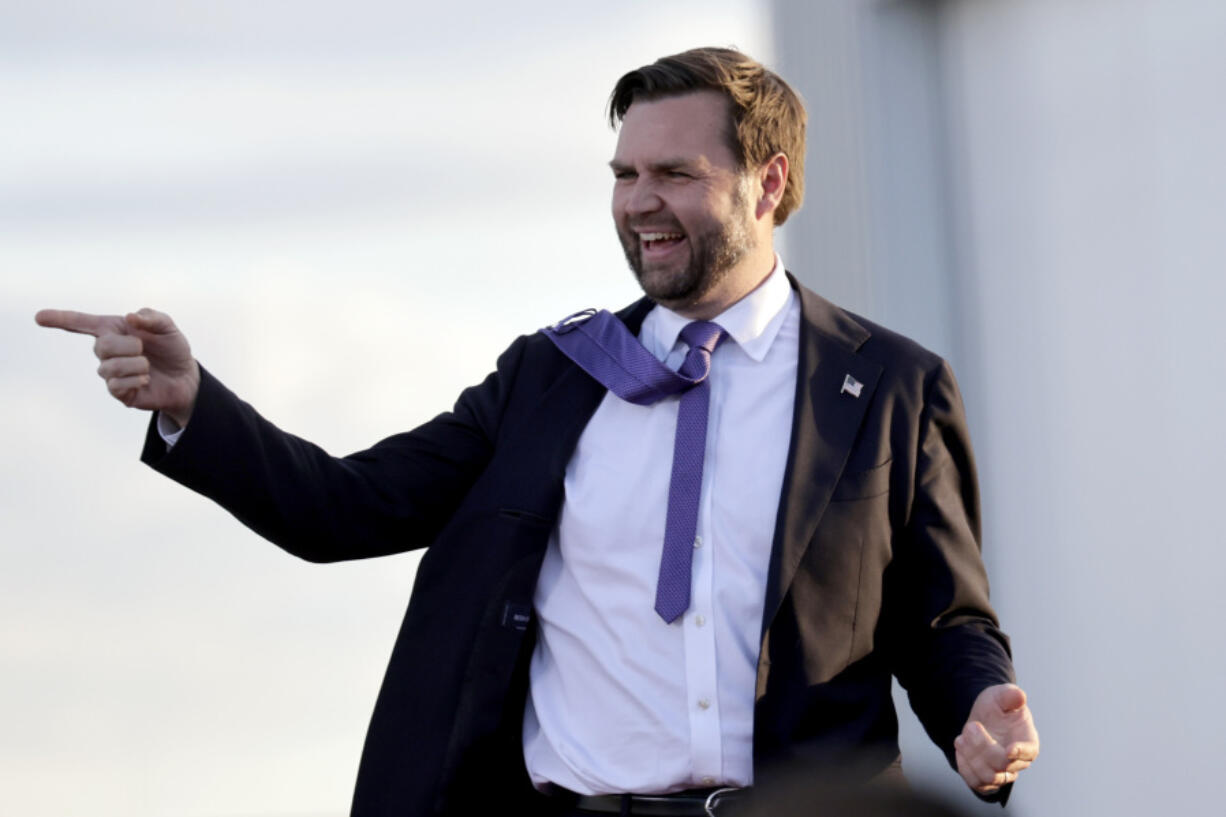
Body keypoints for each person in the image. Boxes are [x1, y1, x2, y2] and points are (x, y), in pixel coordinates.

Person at [37, 47, 1038, 817]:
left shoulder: (887, 385)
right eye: (623, 174)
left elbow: (941, 618)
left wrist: (975, 707)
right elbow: (343, 506)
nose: (639, 202)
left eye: (674, 174)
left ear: (767, 183)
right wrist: (189, 402)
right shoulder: (551, 378)